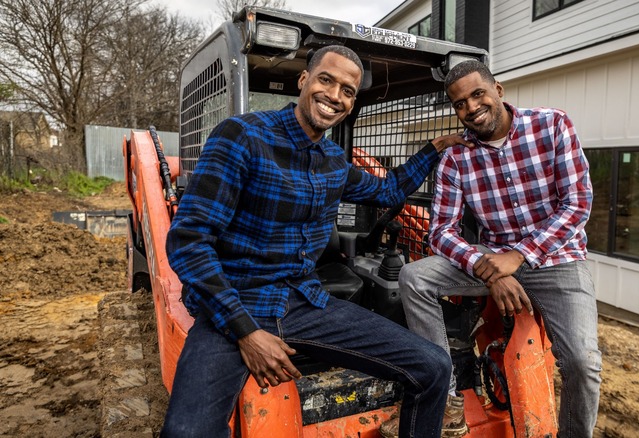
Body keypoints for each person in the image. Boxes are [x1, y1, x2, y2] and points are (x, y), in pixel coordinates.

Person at [161, 45, 472, 438]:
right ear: (304, 80)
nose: (334, 95)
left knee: (433, 366)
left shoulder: (333, 162)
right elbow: (189, 242)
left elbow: (388, 191)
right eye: (326, 79)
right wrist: (245, 332)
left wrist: (435, 149)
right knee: (185, 432)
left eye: (347, 90)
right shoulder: (242, 137)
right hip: (236, 302)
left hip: (303, 302)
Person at [380, 60, 601, 438]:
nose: (470, 107)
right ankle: (445, 397)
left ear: (497, 90)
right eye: (460, 103)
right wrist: (489, 267)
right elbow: (440, 232)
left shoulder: (551, 125)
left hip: (558, 259)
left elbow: (577, 204)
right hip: (492, 256)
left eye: (477, 94)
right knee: (414, 276)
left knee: (583, 363)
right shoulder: (456, 158)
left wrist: (516, 259)